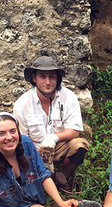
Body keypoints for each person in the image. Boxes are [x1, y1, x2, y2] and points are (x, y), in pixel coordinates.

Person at [13, 56, 89, 192]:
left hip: (60, 146)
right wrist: (38, 154)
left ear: (57, 79)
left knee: (80, 146)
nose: (48, 82)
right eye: (42, 76)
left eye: (52, 77)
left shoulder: (68, 97)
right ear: (34, 78)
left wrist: (52, 138)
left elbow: (74, 130)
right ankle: (47, 179)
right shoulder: (22, 104)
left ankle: (63, 176)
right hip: (33, 150)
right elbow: (22, 139)